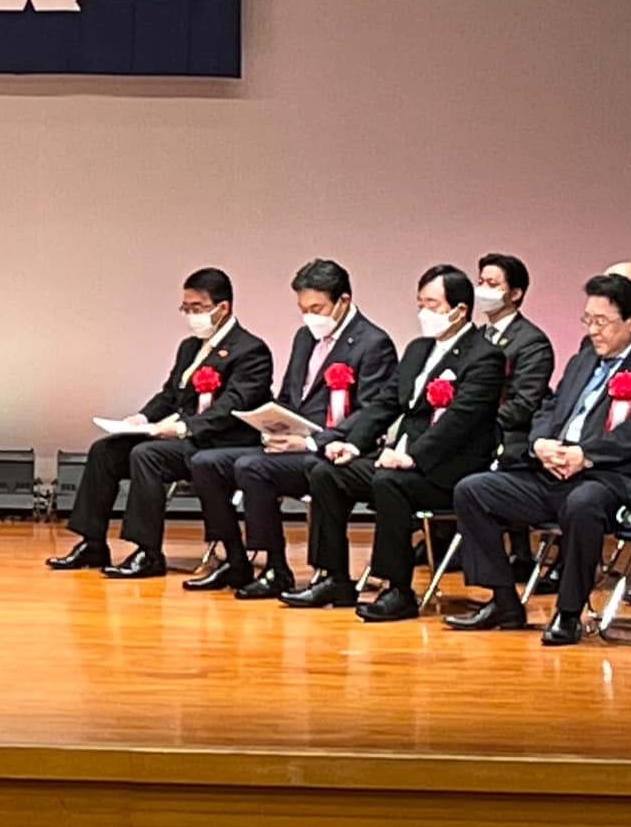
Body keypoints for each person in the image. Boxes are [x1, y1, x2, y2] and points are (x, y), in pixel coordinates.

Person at [448, 271, 631, 646]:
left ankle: (569, 612)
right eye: (587, 319)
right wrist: (541, 443)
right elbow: (551, 406)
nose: (593, 330)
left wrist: (586, 455)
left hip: (612, 476)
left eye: (602, 321)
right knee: (473, 490)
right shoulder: (586, 354)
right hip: (556, 468)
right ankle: (504, 601)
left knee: (582, 504)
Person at [282, 265, 502, 621]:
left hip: (446, 469)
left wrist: (412, 456)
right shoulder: (418, 350)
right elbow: (386, 403)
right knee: (326, 472)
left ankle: (398, 589)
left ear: (460, 310)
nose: (424, 312)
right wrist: (353, 445)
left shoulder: (484, 356)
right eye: (420, 304)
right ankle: (334, 577)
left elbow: (461, 420)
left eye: (432, 304)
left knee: (390, 482)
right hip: (401, 462)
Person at [183, 259, 399, 600]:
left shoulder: (373, 343)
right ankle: (234, 558)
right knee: (206, 463)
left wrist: (312, 441)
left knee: (252, 467)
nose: (309, 317)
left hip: (332, 448)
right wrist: (270, 423)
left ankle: (275, 568)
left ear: (343, 301)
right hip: (292, 442)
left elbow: (370, 412)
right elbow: (289, 396)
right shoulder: (305, 337)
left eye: (317, 308)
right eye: (303, 309)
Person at [48, 267, 273, 580]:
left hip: (220, 441)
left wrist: (183, 428)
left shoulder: (251, 350)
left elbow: (232, 406)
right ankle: (93, 542)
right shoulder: (190, 347)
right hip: (184, 438)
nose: (191, 315)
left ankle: (148, 552)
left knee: (147, 455)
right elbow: (170, 394)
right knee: (105, 451)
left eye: (197, 308)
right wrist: (142, 418)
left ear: (223, 308)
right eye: (186, 308)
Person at [474, 253, 557, 587]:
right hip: (477, 429)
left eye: (492, 284)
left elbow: (525, 403)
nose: (483, 289)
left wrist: (478, 423)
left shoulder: (532, 342)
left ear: (516, 293)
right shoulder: (477, 336)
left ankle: (520, 554)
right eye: (481, 282)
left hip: (513, 431)